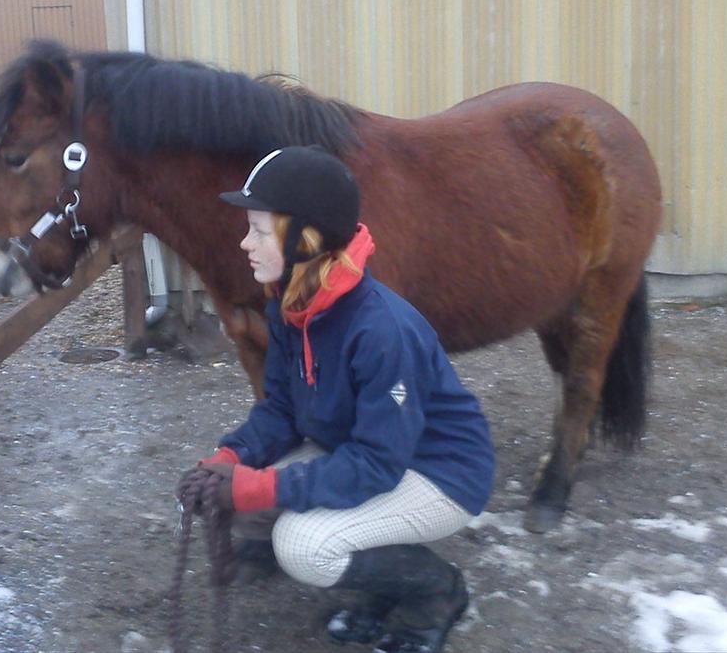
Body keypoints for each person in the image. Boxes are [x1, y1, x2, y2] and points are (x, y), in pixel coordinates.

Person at [178, 145, 495, 653]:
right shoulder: (291, 307)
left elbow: (376, 464)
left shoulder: (380, 329)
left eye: (259, 230)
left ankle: (435, 595)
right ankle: (382, 584)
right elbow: (282, 410)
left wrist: (262, 486)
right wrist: (229, 458)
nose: (245, 243)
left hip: (438, 472)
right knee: (231, 497)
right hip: (365, 453)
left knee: (302, 546)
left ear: (306, 239)